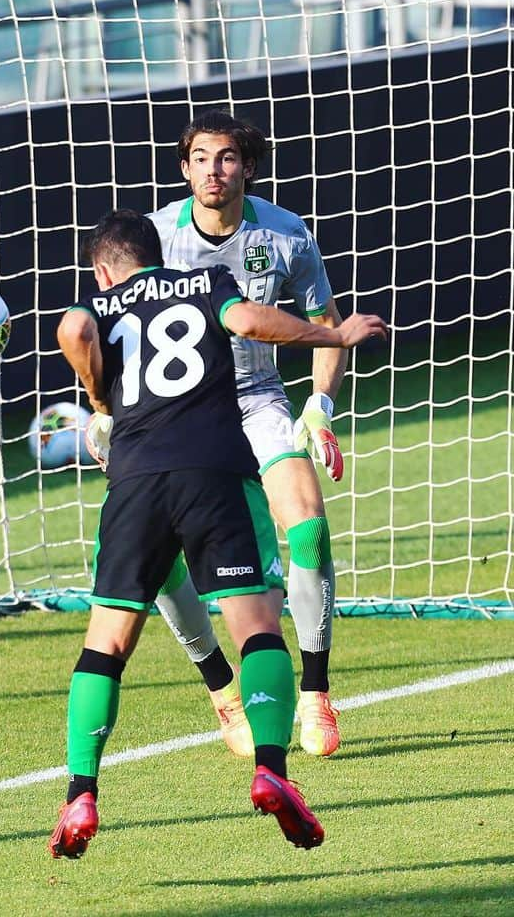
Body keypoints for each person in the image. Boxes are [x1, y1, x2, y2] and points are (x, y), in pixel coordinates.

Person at [50, 209, 386, 859]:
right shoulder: (203, 286)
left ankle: (81, 790)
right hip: (216, 471)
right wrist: (332, 334)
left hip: (137, 481)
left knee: (107, 643)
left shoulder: (103, 303)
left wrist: (97, 397)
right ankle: (271, 769)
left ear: (102, 269)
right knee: (259, 626)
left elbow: (74, 329)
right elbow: (254, 321)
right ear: (161, 255)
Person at [136, 110, 352, 759]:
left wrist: (318, 407)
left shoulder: (287, 235)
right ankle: (221, 690)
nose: (213, 170)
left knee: (309, 526)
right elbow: (115, 322)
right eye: (200, 158)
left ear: (247, 168)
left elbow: (328, 322)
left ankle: (315, 693)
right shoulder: (153, 237)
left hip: (258, 403)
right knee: (154, 557)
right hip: (177, 417)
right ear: (184, 168)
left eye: (226, 158)